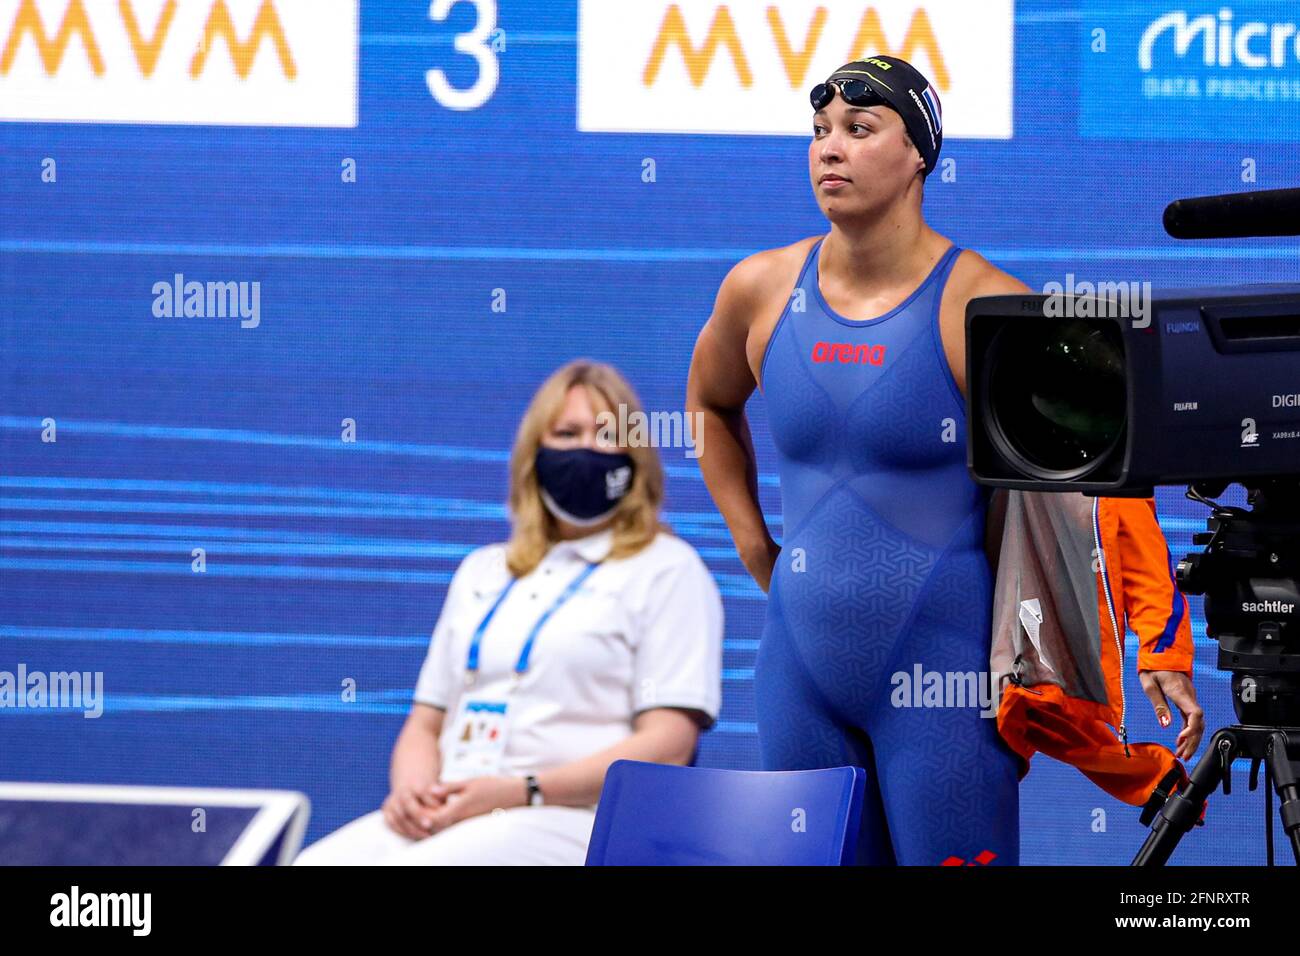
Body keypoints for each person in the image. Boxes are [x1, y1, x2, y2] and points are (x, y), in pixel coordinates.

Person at [686, 56, 1029, 864]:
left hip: (947, 680)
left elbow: (1049, 502)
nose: (828, 149)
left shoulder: (982, 309)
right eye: (819, 132)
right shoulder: (762, 289)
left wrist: (1024, 650)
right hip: (797, 669)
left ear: (920, 156)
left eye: (860, 129)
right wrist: (751, 542)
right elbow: (706, 404)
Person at [296, 360, 723, 865]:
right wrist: (413, 792)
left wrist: (524, 790)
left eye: (606, 434)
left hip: (574, 817)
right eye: (566, 433)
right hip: (455, 808)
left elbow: (669, 744)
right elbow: (426, 722)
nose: (586, 448)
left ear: (635, 457)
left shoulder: (667, 568)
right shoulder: (484, 570)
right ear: (534, 454)